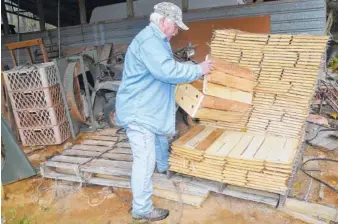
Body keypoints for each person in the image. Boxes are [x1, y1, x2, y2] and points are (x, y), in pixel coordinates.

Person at [115, 1, 213, 222]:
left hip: (150, 107)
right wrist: (199, 69)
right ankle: (141, 208)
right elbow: (166, 70)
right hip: (139, 110)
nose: (177, 31)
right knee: (144, 159)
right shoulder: (150, 41)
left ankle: (163, 167)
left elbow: (165, 67)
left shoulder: (159, 40)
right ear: (163, 22)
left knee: (160, 135)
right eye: (175, 26)